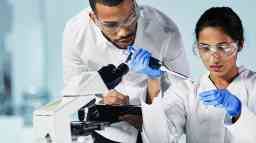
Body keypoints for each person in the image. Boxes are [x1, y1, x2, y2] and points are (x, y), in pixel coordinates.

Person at [62, 0, 190, 143]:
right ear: (94, 19)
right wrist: (101, 98)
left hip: (154, 119)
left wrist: (153, 121)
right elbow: (73, 91)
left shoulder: (165, 30)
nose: (123, 32)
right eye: (111, 25)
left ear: (135, 5)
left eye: (130, 19)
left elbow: (183, 93)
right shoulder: (76, 32)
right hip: (103, 123)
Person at [130, 7, 256, 143]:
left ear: (240, 45)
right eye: (205, 48)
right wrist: (153, 79)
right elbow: (159, 140)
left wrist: (238, 112)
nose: (214, 58)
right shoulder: (186, 92)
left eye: (223, 47)